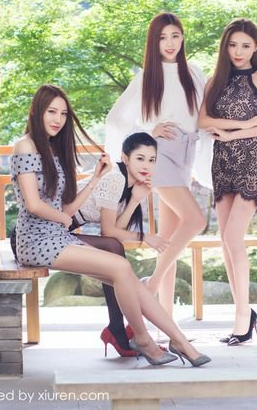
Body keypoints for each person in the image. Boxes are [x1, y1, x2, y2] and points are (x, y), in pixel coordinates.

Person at [11, 84, 210, 366]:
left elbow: (68, 208)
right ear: (36, 111)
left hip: (57, 236)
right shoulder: (25, 145)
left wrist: (94, 179)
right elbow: (33, 204)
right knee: (120, 266)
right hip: (34, 240)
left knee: (126, 276)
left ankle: (180, 341)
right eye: (51, 112)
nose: (58, 119)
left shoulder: (54, 150)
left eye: (64, 114)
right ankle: (142, 340)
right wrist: (63, 218)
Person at [105, 12, 210, 321]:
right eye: (163, 37)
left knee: (169, 239)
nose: (170, 43)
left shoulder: (194, 72)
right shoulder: (147, 76)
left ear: (183, 38)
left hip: (185, 154)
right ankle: (150, 284)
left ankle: (166, 322)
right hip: (160, 153)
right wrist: (149, 132)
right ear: (154, 42)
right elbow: (117, 119)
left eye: (175, 36)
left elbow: (207, 112)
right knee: (195, 220)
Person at [199, 18, 257, 346]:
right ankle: (244, 313)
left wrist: (233, 132)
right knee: (225, 241)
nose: (238, 51)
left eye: (246, 46)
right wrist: (244, 124)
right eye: (233, 45)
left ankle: (242, 317)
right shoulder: (215, 81)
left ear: (256, 47)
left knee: (233, 237)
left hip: (251, 164)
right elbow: (203, 120)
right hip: (222, 163)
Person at [70, 132, 170, 357]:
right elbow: (109, 232)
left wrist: (135, 199)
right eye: (140, 158)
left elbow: (115, 230)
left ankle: (118, 328)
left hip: (62, 230)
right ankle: (120, 329)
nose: (146, 165)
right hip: (46, 230)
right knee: (113, 249)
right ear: (125, 158)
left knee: (113, 248)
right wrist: (145, 237)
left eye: (151, 160)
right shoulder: (115, 177)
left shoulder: (129, 184)